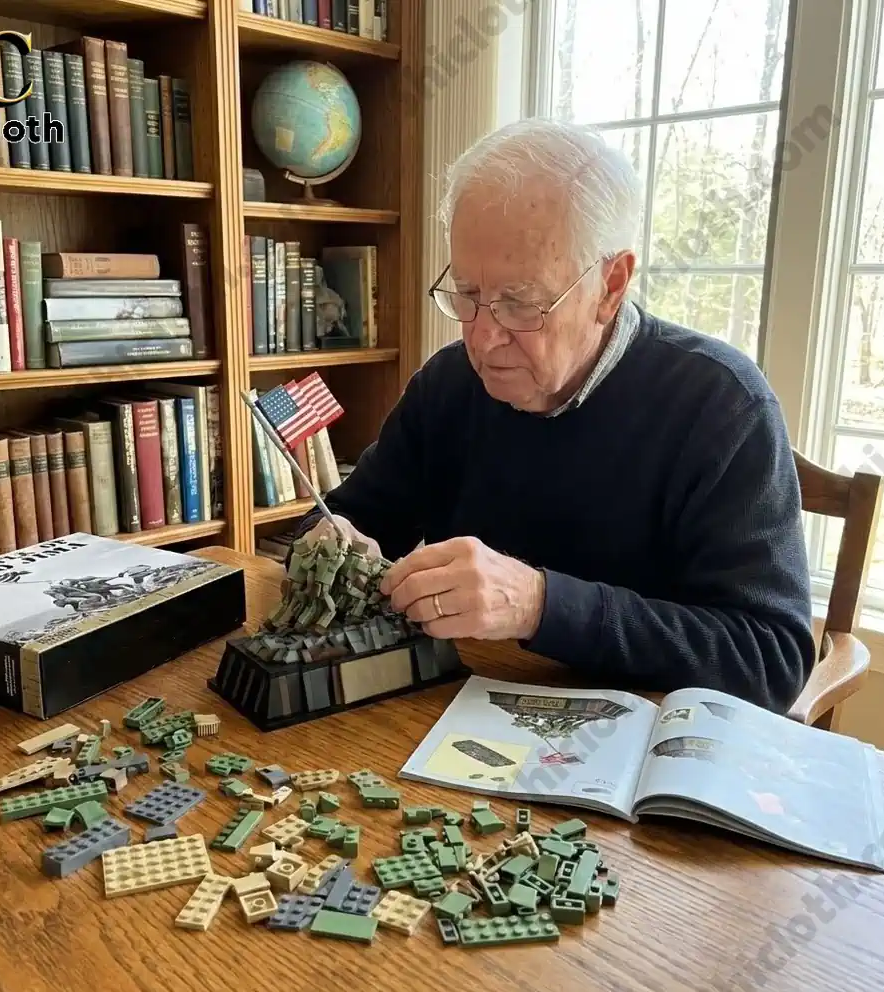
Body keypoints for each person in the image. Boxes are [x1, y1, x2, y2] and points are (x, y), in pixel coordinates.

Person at [292, 117, 816, 714]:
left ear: (611, 286)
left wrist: (540, 605)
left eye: (520, 303)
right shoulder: (448, 385)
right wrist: (328, 543)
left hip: (639, 761)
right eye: (465, 294)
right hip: (457, 722)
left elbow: (771, 660)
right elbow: (347, 518)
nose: (483, 339)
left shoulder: (723, 406)